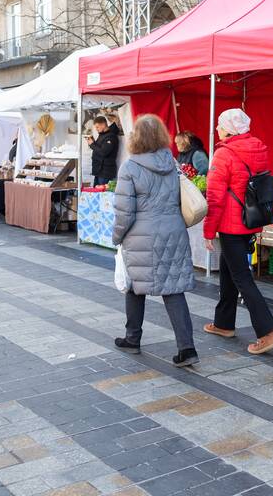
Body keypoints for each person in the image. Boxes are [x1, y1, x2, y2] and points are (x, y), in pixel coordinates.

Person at [112, 114, 199, 367]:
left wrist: (117, 236)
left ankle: (133, 337)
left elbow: (124, 212)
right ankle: (187, 348)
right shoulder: (172, 163)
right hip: (173, 231)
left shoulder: (130, 167)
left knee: (133, 285)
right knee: (173, 289)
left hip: (141, 235)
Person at [202, 108, 273, 356]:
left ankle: (268, 332)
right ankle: (224, 323)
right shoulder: (258, 148)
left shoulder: (224, 154)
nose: (217, 129)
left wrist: (208, 230)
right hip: (250, 219)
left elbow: (214, 197)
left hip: (230, 222)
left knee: (241, 277)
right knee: (229, 270)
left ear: (229, 128)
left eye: (220, 125)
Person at [88, 115, 120, 186]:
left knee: (103, 194)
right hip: (99, 171)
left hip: (105, 172)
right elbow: (99, 148)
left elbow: (104, 152)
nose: (96, 129)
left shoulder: (111, 136)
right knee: (96, 193)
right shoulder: (102, 135)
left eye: (97, 127)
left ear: (103, 125)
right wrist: (93, 142)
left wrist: (92, 145)